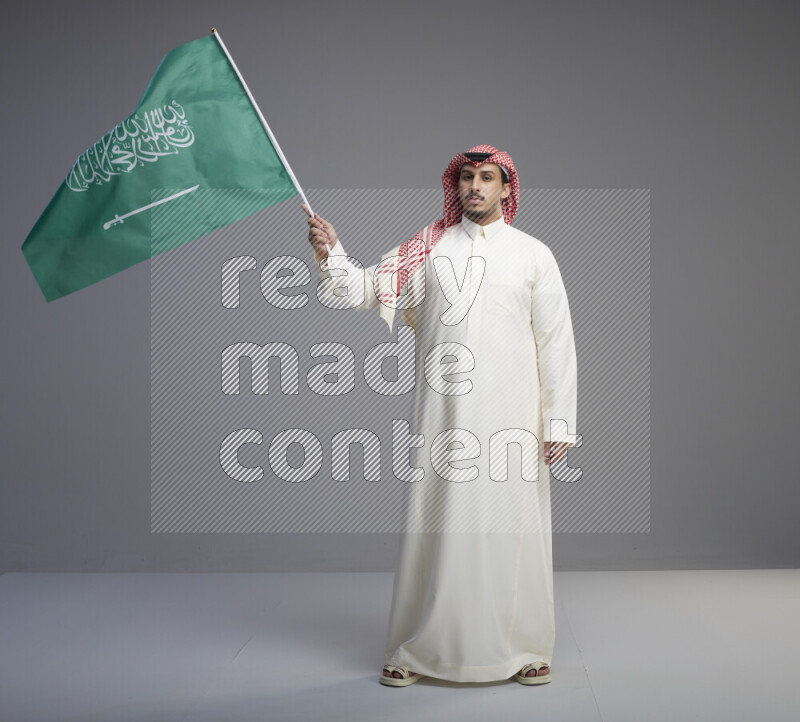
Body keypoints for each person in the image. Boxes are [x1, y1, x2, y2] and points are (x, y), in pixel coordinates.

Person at [303, 144, 577, 687]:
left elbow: (556, 341)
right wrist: (332, 251)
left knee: (510, 530)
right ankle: (415, 650)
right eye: (468, 178)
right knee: (440, 526)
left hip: (513, 420)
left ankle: (523, 648)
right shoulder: (426, 248)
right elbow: (360, 291)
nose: (475, 187)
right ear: (456, 186)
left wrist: (559, 420)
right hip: (442, 419)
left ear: (506, 189)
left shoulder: (533, 255)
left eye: (487, 178)